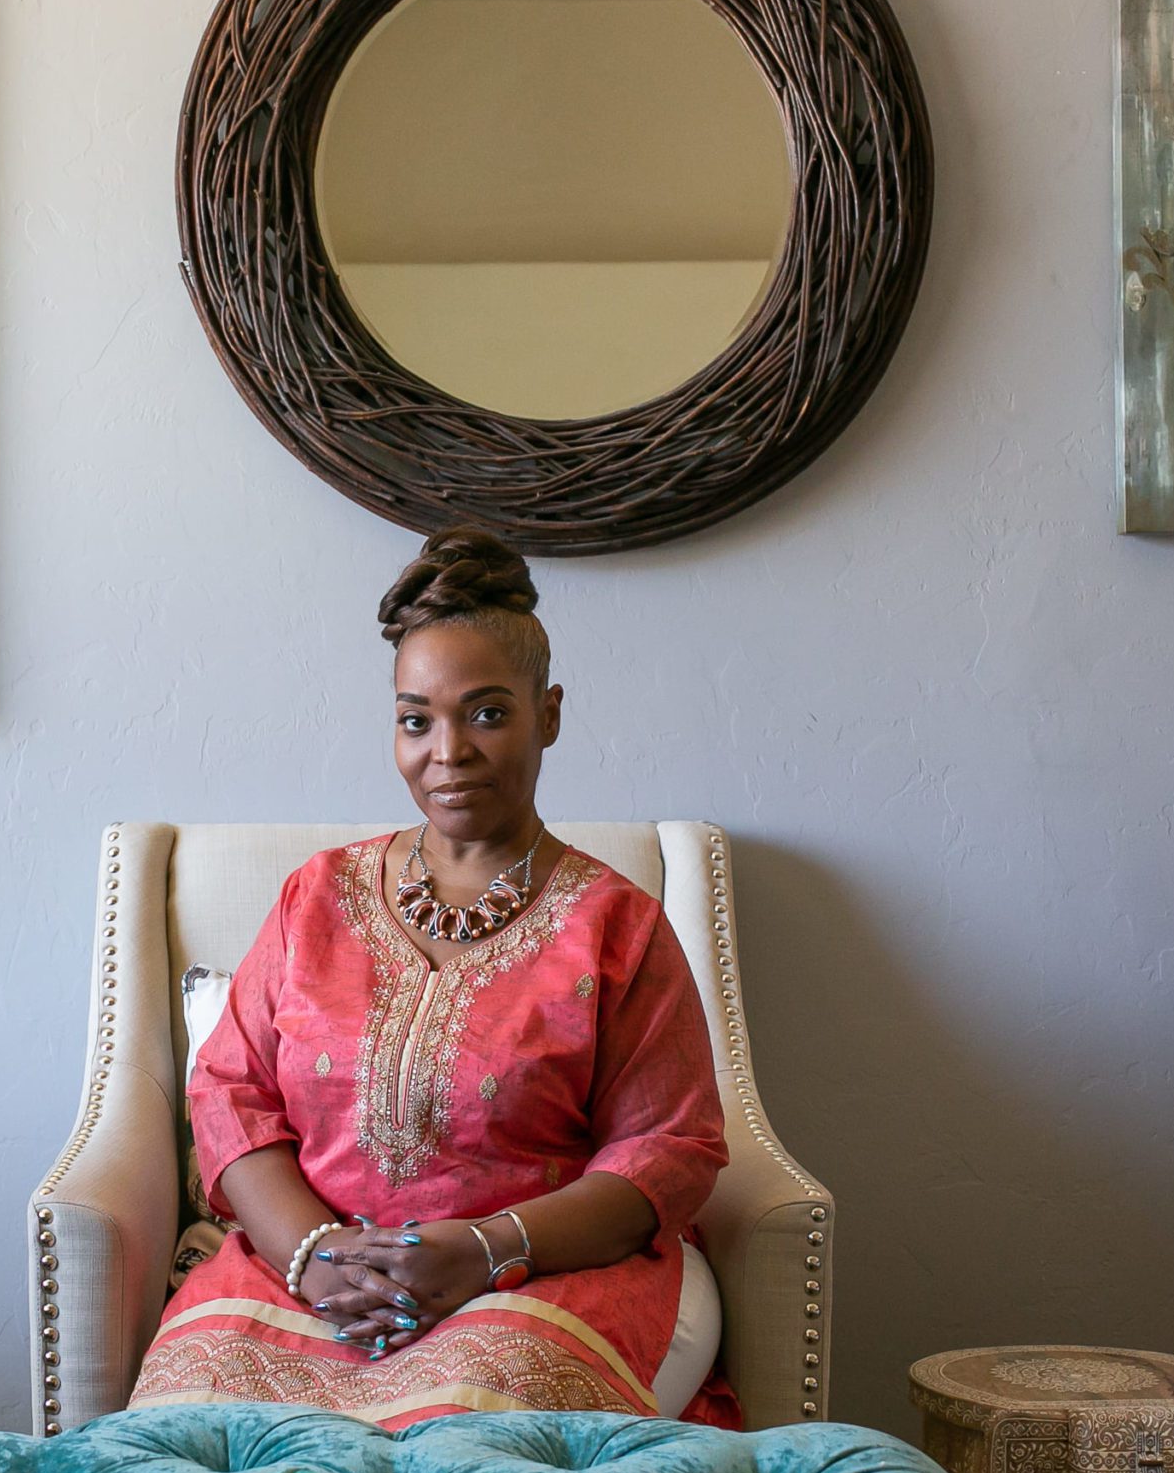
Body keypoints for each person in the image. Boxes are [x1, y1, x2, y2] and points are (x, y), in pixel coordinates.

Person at [127, 530, 734, 1427]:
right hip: (307, 1280)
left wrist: (488, 1252)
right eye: (417, 719)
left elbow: (668, 1152)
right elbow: (229, 1092)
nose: (447, 750)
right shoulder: (318, 897)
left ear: (550, 713)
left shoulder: (618, 925)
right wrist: (315, 1253)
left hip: (537, 1285)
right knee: (187, 1448)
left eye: (487, 713)